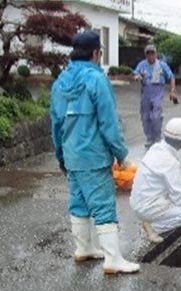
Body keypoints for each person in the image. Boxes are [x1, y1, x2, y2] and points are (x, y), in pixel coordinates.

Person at [50, 30, 139, 275]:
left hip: (71, 156)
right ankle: (113, 259)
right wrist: (121, 154)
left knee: (78, 202)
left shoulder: (61, 82)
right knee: (103, 205)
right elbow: (109, 123)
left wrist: (61, 156)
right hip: (93, 156)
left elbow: (56, 124)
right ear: (96, 53)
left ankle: (84, 248)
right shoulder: (97, 80)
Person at [130, 118, 181, 243]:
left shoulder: (157, 148)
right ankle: (154, 227)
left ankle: (150, 220)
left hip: (139, 202)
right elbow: (179, 197)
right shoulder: (169, 161)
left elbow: (171, 170)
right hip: (149, 208)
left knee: (175, 199)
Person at [133, 44, 177, 147]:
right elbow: (135, 74)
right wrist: (137, 76)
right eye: (148, 54)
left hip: (157, 91)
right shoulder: (142, 64)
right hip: (145, 91)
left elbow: (171, 77)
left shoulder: (161, 65)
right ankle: (149, 138)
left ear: (155, 54)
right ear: (146, 55)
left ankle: (157, 136)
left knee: (156, 115)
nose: (150, 56)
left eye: (152, 53)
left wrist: (172, 90)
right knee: (145, 116)